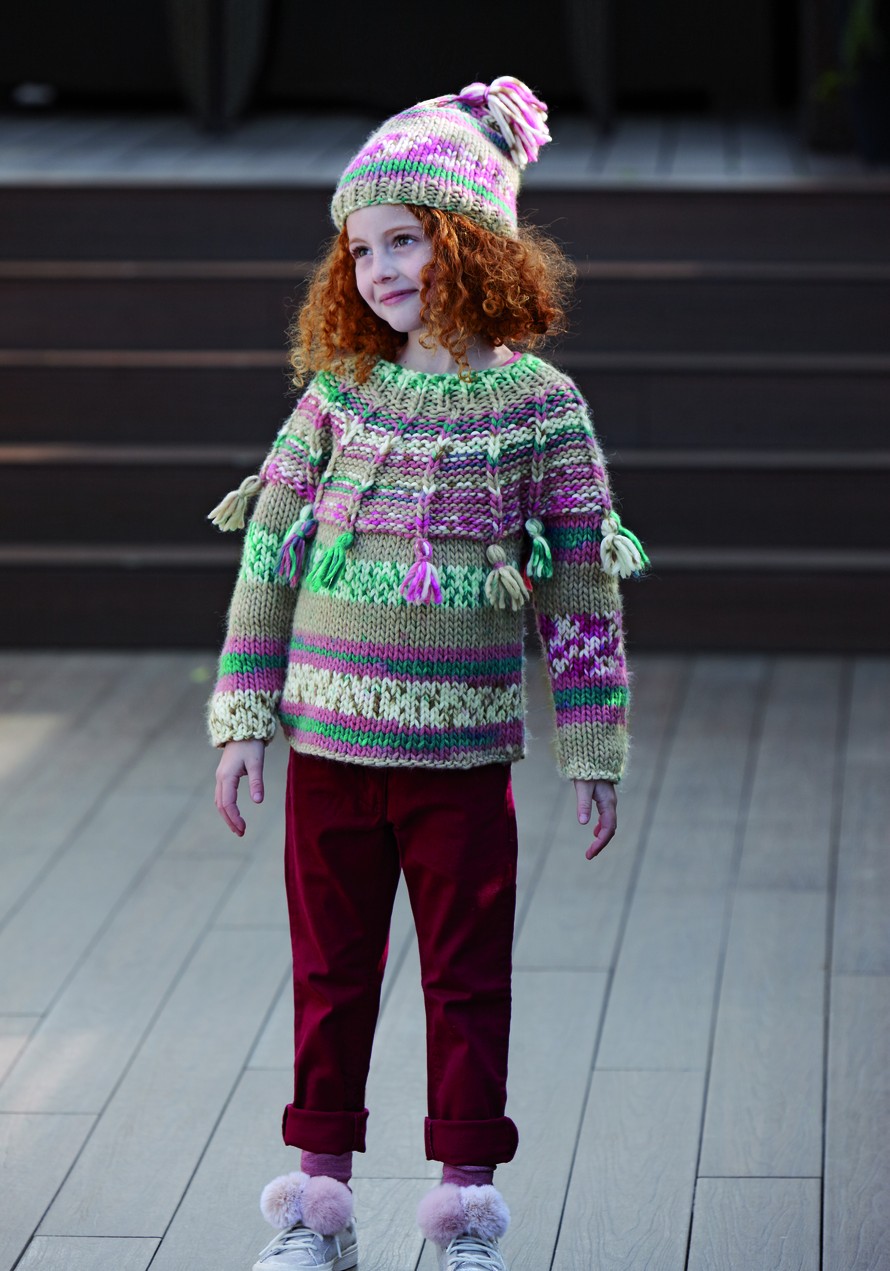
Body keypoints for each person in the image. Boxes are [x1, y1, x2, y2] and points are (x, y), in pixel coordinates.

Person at [207, 74, 649, 1271]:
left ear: (470, 241)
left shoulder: (539, 409)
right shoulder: (336, 398)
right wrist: (243, 714)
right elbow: (267, 554)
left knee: (465, 979)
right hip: (327, 748)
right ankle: (315, 1203)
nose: (380, 268)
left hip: (461, 759)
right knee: (328, 973)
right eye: (360, 250)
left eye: (404, 239)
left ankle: (463, 1210)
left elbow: (580, 586)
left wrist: (592, 742)